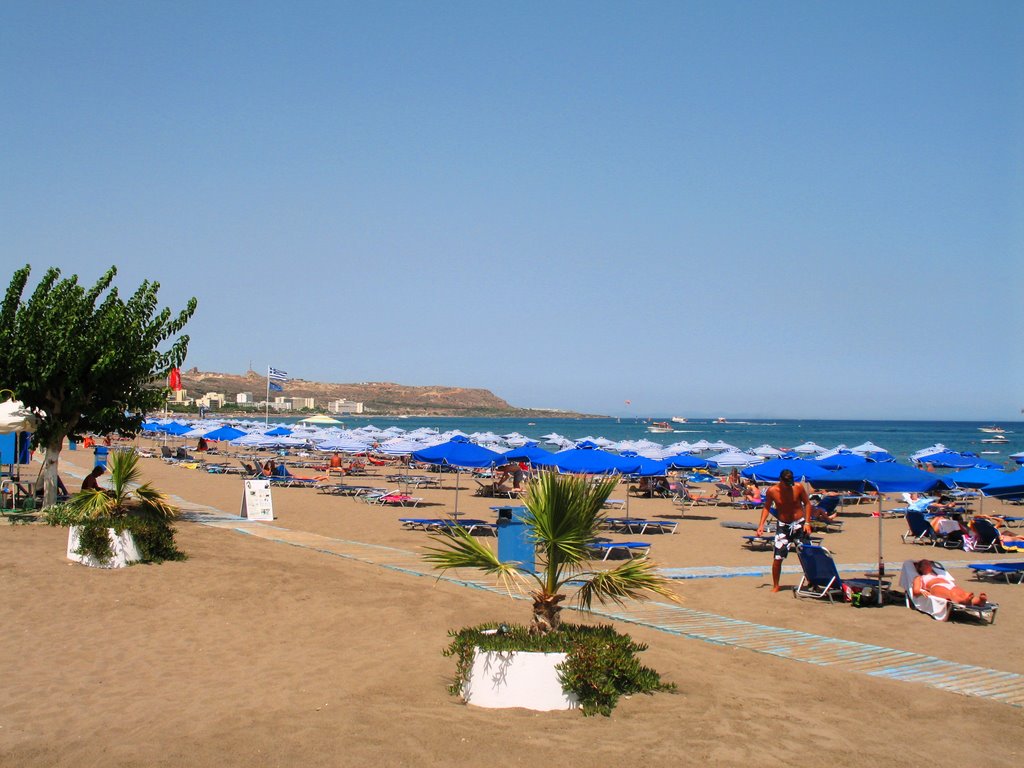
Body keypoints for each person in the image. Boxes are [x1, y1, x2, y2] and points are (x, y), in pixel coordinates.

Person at [757, 468, 814, 593]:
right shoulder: (772, 491)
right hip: (783, 526)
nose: (789, 485)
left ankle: (812, 581)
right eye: (787, 482)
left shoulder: (798, 487)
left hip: (800, 524)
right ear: (780, 480)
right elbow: (766, 507)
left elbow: (807, 504)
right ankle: (776, 585)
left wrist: (808, 523)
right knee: (778, 558)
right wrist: (761, 525)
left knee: (806, 555)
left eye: (791, 482)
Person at [912, 559, 987, 606]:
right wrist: (921, 592)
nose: (928, 564)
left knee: (964, 593)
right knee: (950, 594)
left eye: (928, 563)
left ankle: (979, 601)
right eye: (925, 563)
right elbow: (915, 591)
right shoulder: (920, 577)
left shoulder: (937, 574)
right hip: (935, 586)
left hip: (949, 585)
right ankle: (963, 601)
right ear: (920, 568)